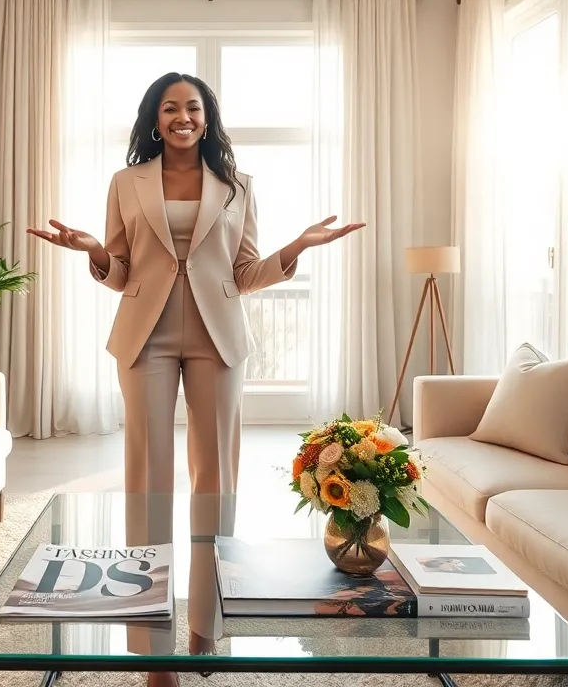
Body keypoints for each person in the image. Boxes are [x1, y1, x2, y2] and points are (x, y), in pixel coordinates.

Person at [28, 71, 363, 498]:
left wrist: (298, 245)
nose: (182, 117)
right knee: (147, 461)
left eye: (193, 108)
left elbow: (244, 274)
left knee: (216, 462)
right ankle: (147, 545)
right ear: (155, 119)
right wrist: (95, 250)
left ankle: (215, 543)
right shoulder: (125, 182)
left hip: (218, 334)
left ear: (207, 120)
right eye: (170, 108)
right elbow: (122, 273)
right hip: (144, 334)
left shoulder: (238, 185)